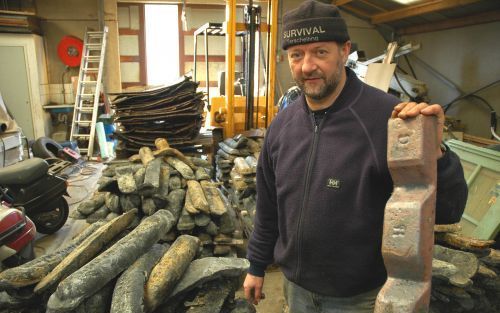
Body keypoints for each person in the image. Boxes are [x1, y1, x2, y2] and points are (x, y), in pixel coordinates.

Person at [243, 1, 468, 312]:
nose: (307, 66)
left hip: (360, 297)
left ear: (344, 50)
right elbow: (269, 207)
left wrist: (436, 153)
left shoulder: (387, 119)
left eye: (320, 52)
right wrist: (256, 265)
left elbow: (448, 210)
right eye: (297, 55)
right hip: (294, 289)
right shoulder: (282, 126)